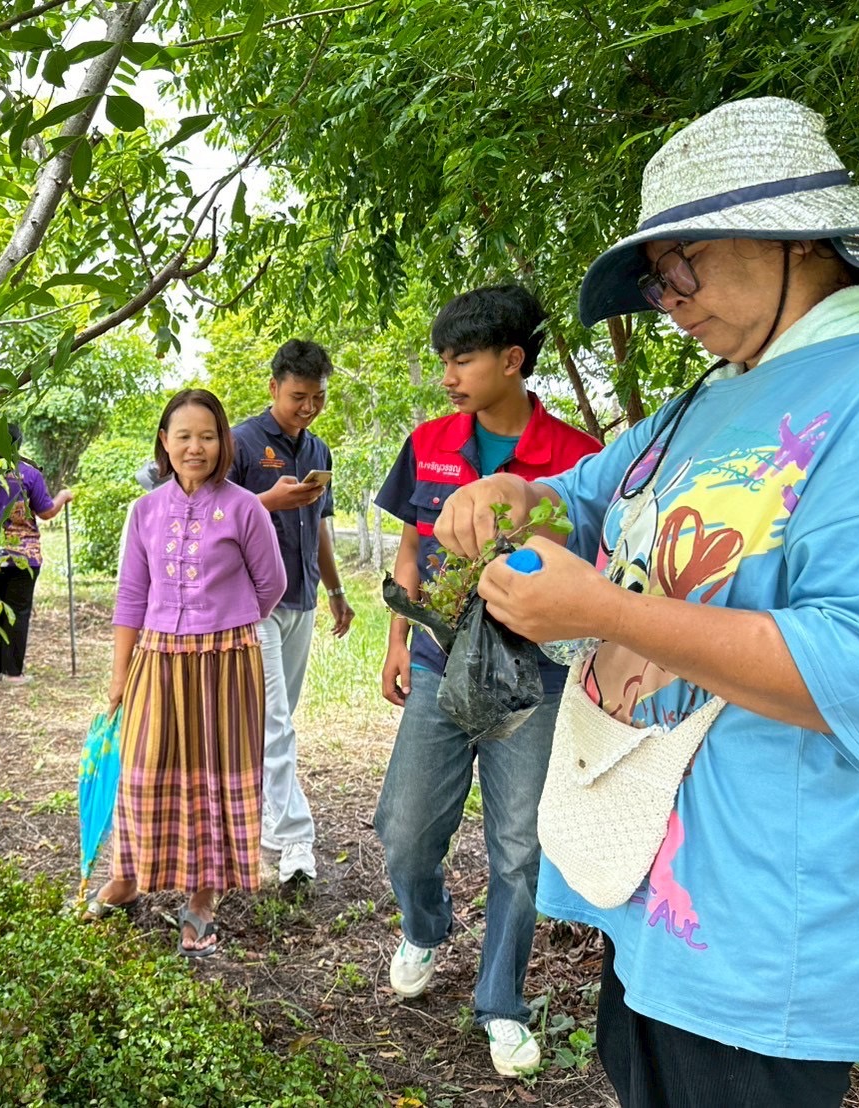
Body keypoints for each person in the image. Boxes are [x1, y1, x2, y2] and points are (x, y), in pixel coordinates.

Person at [436, 97, 859, 1107]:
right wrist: (515, 496)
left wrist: (610, 615)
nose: (667, 297)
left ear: (795, 234)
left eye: (684, 263)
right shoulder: (711, 396)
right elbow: (588, 501)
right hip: (658, 887)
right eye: (657, 275)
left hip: (768, 915)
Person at [373, 285, 601, 1075]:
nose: (447, 374)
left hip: (530, 678)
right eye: (442, 359)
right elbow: (410, 549)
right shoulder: (430, 441)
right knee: (403, 831)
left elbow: (596, 568)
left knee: (518, 847)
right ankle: (424, 927)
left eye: (460, 358)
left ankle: (500, 1003)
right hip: (439, 664)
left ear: (512, 360)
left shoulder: (576, 457)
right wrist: (397, 641)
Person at [86, 389, 286, 957]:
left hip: (227, 660)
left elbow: (271, 584)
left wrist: (227, 625)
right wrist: (120, 674)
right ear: (164, 445)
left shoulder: (245, 507)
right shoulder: (145, 511)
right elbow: (131, 595)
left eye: (207, 435)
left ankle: (204, 893)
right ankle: (128, 877)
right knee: (144, 771)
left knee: (217, 776)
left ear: (223, 443)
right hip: (156, 657)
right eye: (183, 436)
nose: (195, 446)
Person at [228, 338, 355, 885]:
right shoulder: (239, 443)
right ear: (274, 387)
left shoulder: (319, 451)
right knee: (274, 722)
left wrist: (336, 590)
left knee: (271, 722)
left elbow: (321, 525)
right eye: (299, 396)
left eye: (318, 397)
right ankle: (295, 842)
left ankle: (259, 825)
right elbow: (205, 516)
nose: (308, 407)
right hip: (250, 601)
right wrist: (264, 503)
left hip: (301, 598)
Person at [0, 422, 74, 686]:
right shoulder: (28, 475)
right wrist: (63, 496)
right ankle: (13, 674)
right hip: (22, 556)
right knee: (17, 611)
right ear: (19, 444)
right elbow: (46, 512)